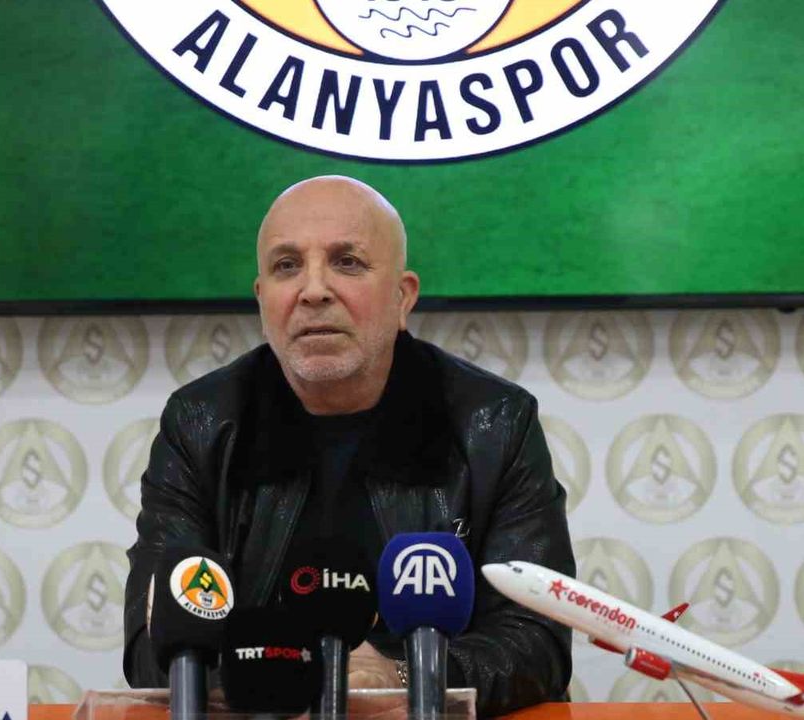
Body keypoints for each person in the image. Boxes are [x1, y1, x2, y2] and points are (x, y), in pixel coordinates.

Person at [123, 175, 576, 716]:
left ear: (403, 297)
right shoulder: (200, 424)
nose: (313, 290)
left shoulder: (494, 423)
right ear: (262, 299)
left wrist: (403, 678)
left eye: (347, 262)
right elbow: (153, 645)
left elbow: (537, 640)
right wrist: (284, 680)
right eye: (287, 266)